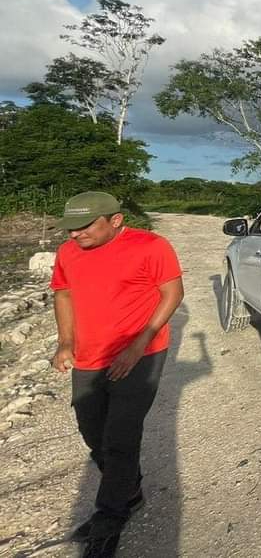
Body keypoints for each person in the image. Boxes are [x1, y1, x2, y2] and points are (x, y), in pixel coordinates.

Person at [49, 191, 185, 558]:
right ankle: (130, 489)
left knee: (120, 437)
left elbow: (172, 292)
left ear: (116, 220)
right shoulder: (68, 252)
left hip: (140, 355)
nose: (75, 235)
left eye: (84, 226)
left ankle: (109, 520)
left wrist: (139, 344)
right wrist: (65, 342)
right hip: (89, 356)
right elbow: (63, 293)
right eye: (70, 228)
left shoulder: (151, 246)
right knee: (92, 432)